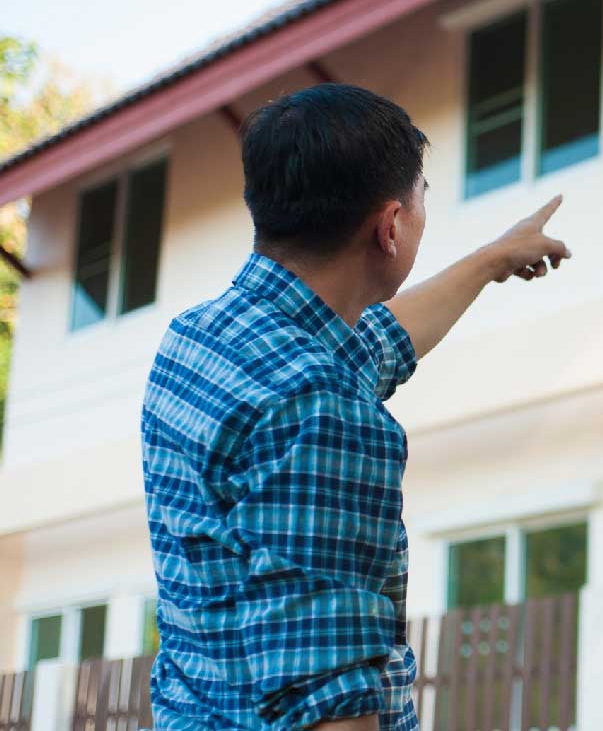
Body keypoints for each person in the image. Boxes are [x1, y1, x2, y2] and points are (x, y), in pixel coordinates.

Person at [142, 84, 570, 731]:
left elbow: (374, 343)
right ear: (390, 226)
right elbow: (329, 708)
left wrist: (489, 261)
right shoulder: (327, 412)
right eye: (423, 199)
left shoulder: (198, 340)